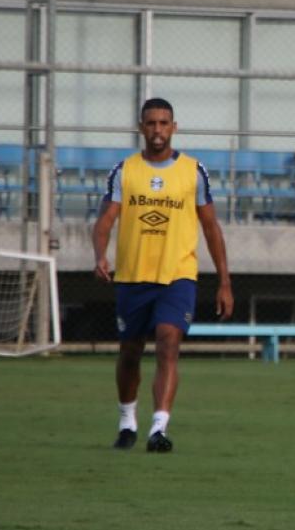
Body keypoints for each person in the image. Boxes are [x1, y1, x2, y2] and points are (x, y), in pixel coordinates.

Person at [92, 97, 233, 453]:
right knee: (130, 352)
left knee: (169, 343)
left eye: (164, 123)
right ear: (142, 127)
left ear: (174, 127)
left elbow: (211, 227)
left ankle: (159, 428)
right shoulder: (124, 171)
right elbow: (105, 221)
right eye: (151, 123)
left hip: (177, 275)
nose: (158, 130)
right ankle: (127, 422)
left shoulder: (192, 171)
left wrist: (225, 282)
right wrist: (100, 256)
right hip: (132, 276)